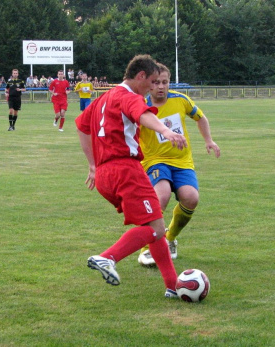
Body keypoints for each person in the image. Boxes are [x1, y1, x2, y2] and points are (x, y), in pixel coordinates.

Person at [75, 54, 188, 299]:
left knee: (153, 223)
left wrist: (92, 166)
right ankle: (107, 258)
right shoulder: (128, 96)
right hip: (126, 170)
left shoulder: (103, 99)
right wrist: (166, 130)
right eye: (150, 83)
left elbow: (81, 126)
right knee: (157, 228)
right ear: (140, 76)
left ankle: (172, 285)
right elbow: (143, 115)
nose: (151, 89)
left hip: (105, 175)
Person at [136, 63, 221, 266]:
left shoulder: (180, 100)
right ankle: (147, 247)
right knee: (161, 195)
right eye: (155, 82)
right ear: (148, 83)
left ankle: (170, 239)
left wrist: (209, 140)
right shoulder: (141, 104)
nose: (160, 87)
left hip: (182, 161)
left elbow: (200, 118)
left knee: (191, 198)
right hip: (154, 161)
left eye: (164, 82)